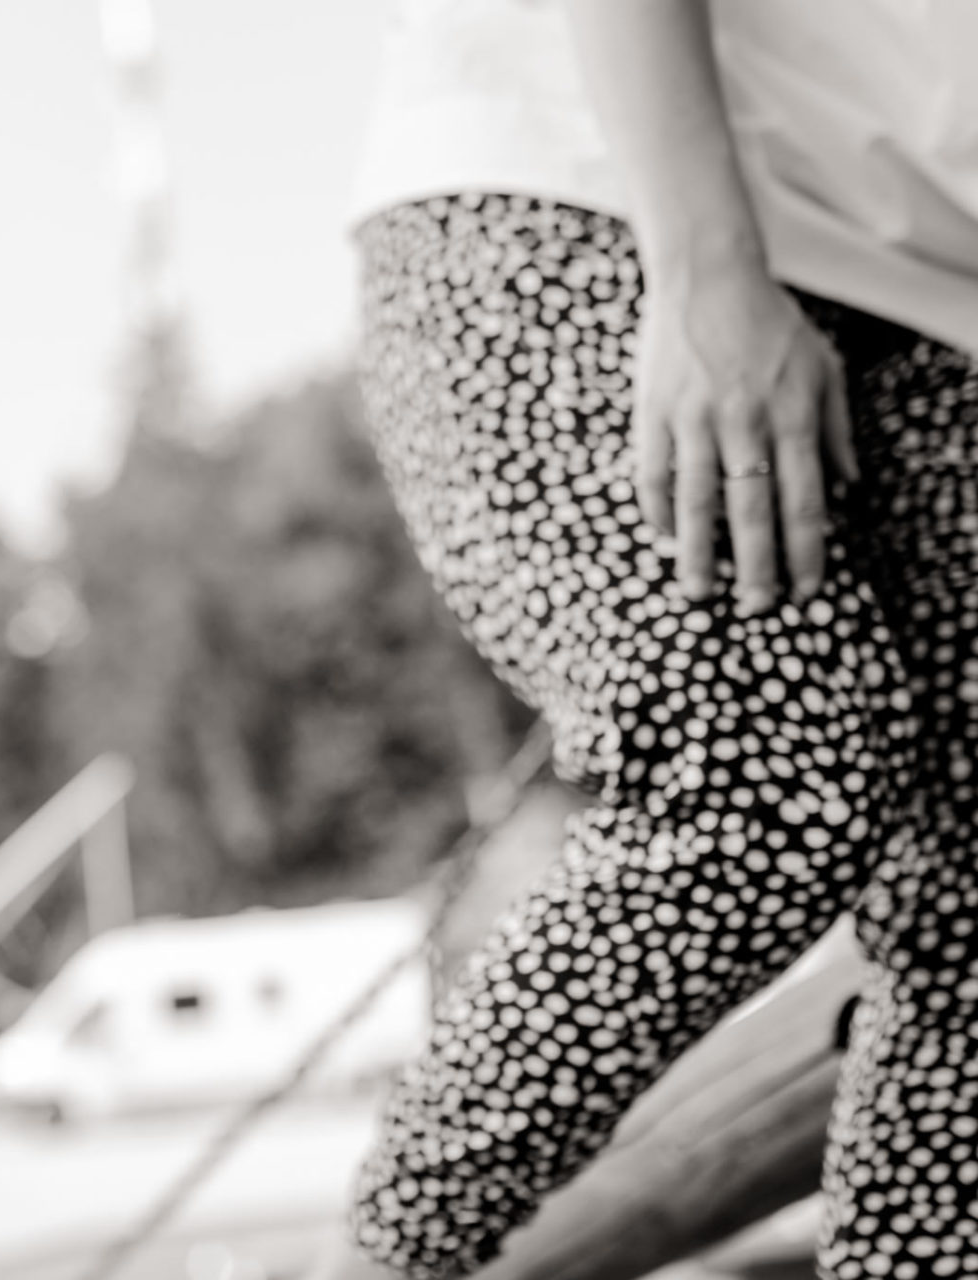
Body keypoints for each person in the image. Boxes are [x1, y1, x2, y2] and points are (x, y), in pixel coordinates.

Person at [340, 2, 978, 1277]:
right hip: (590, 171)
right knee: (768, 771)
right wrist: (707, 271)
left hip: (929, 275)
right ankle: (386, 1257)